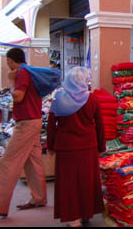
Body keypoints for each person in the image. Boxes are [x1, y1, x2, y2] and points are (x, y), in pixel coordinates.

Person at [0, 48, 47, 218]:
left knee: (7, 162)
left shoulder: (20, 73)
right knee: (33, 161)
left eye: (8, 62)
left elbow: (19, 96)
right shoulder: (31, 72)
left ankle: (0, 206)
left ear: (11, 61)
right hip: (34, 120)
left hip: (26, 123)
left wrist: (12, 82)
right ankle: (39, 197)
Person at [47, 67, 106, 227]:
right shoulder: (92, 99)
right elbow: (99, 124)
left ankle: (73, 218)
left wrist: (50, 146)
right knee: (86, 181)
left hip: (66, 148)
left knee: (69, 183)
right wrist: (101, 146)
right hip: (88, 146)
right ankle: (85, 213)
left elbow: (52, 124)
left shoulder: (59, 98)